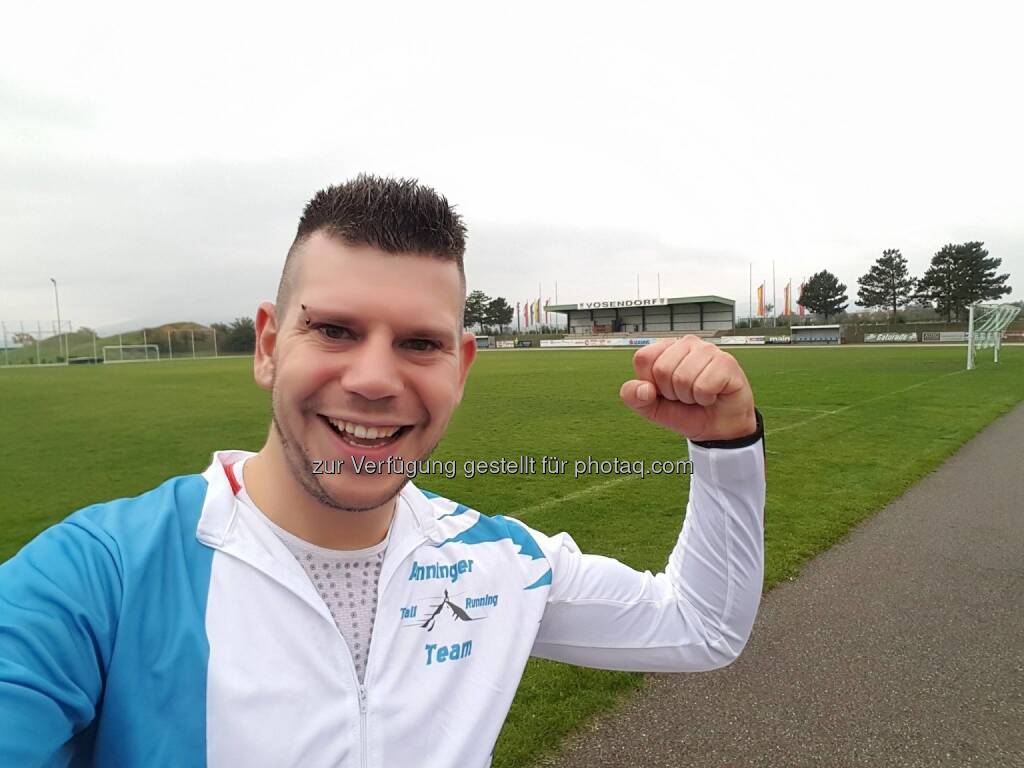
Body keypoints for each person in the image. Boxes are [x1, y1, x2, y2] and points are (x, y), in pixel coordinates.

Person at [0, 175, 765, 767]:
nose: (373, 379)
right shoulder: (97, 578)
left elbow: (699, 628)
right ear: (267, 347)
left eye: (420, 344)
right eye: (334, 330)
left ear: (460, 368)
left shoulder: (499, 563)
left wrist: (727, 447)